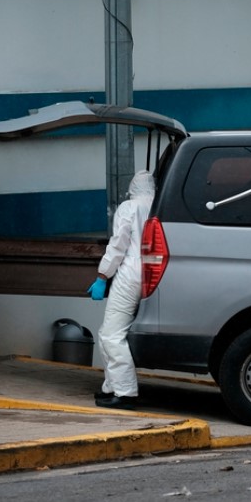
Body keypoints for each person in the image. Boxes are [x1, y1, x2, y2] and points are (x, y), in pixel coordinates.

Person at [87, 170, 155, 410]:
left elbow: (118, 245)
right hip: (153, 272)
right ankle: (111, 387)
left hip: (130, 273)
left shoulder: (130, 207)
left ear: (132, 188)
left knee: (111, 334)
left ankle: (125, 392)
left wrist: (102, 275)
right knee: (109, 331)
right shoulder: (160, 205)